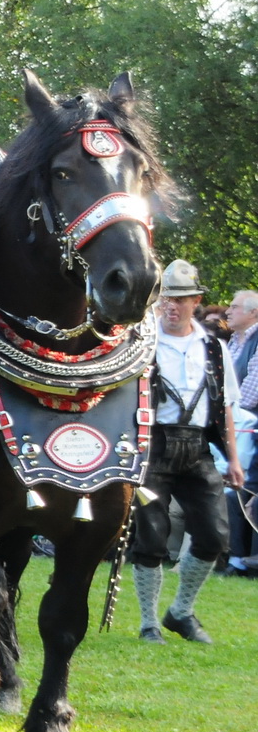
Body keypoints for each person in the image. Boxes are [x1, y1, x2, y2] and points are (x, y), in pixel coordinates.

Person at [132, 259, 244, 644]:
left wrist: (233, 458)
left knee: (215, 536)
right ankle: (148, 622)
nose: (171, 305)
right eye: (166, 297)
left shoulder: (213, 347)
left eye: (180, 298)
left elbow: (226, 404)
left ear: (196, 300)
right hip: (153, 446)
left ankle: (180, 612)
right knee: (151, 537)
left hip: (197, 449)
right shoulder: (142, 343)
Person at [223, 290, 258, 572]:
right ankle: (233, 556)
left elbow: (250, 392)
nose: (228, 312)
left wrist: (225, 408)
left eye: (234, 307)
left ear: (253, 312)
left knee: (247, 489)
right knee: (231, 488)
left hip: (249, 428)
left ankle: (247, 559)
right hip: (232, 423)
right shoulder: (233, 341)